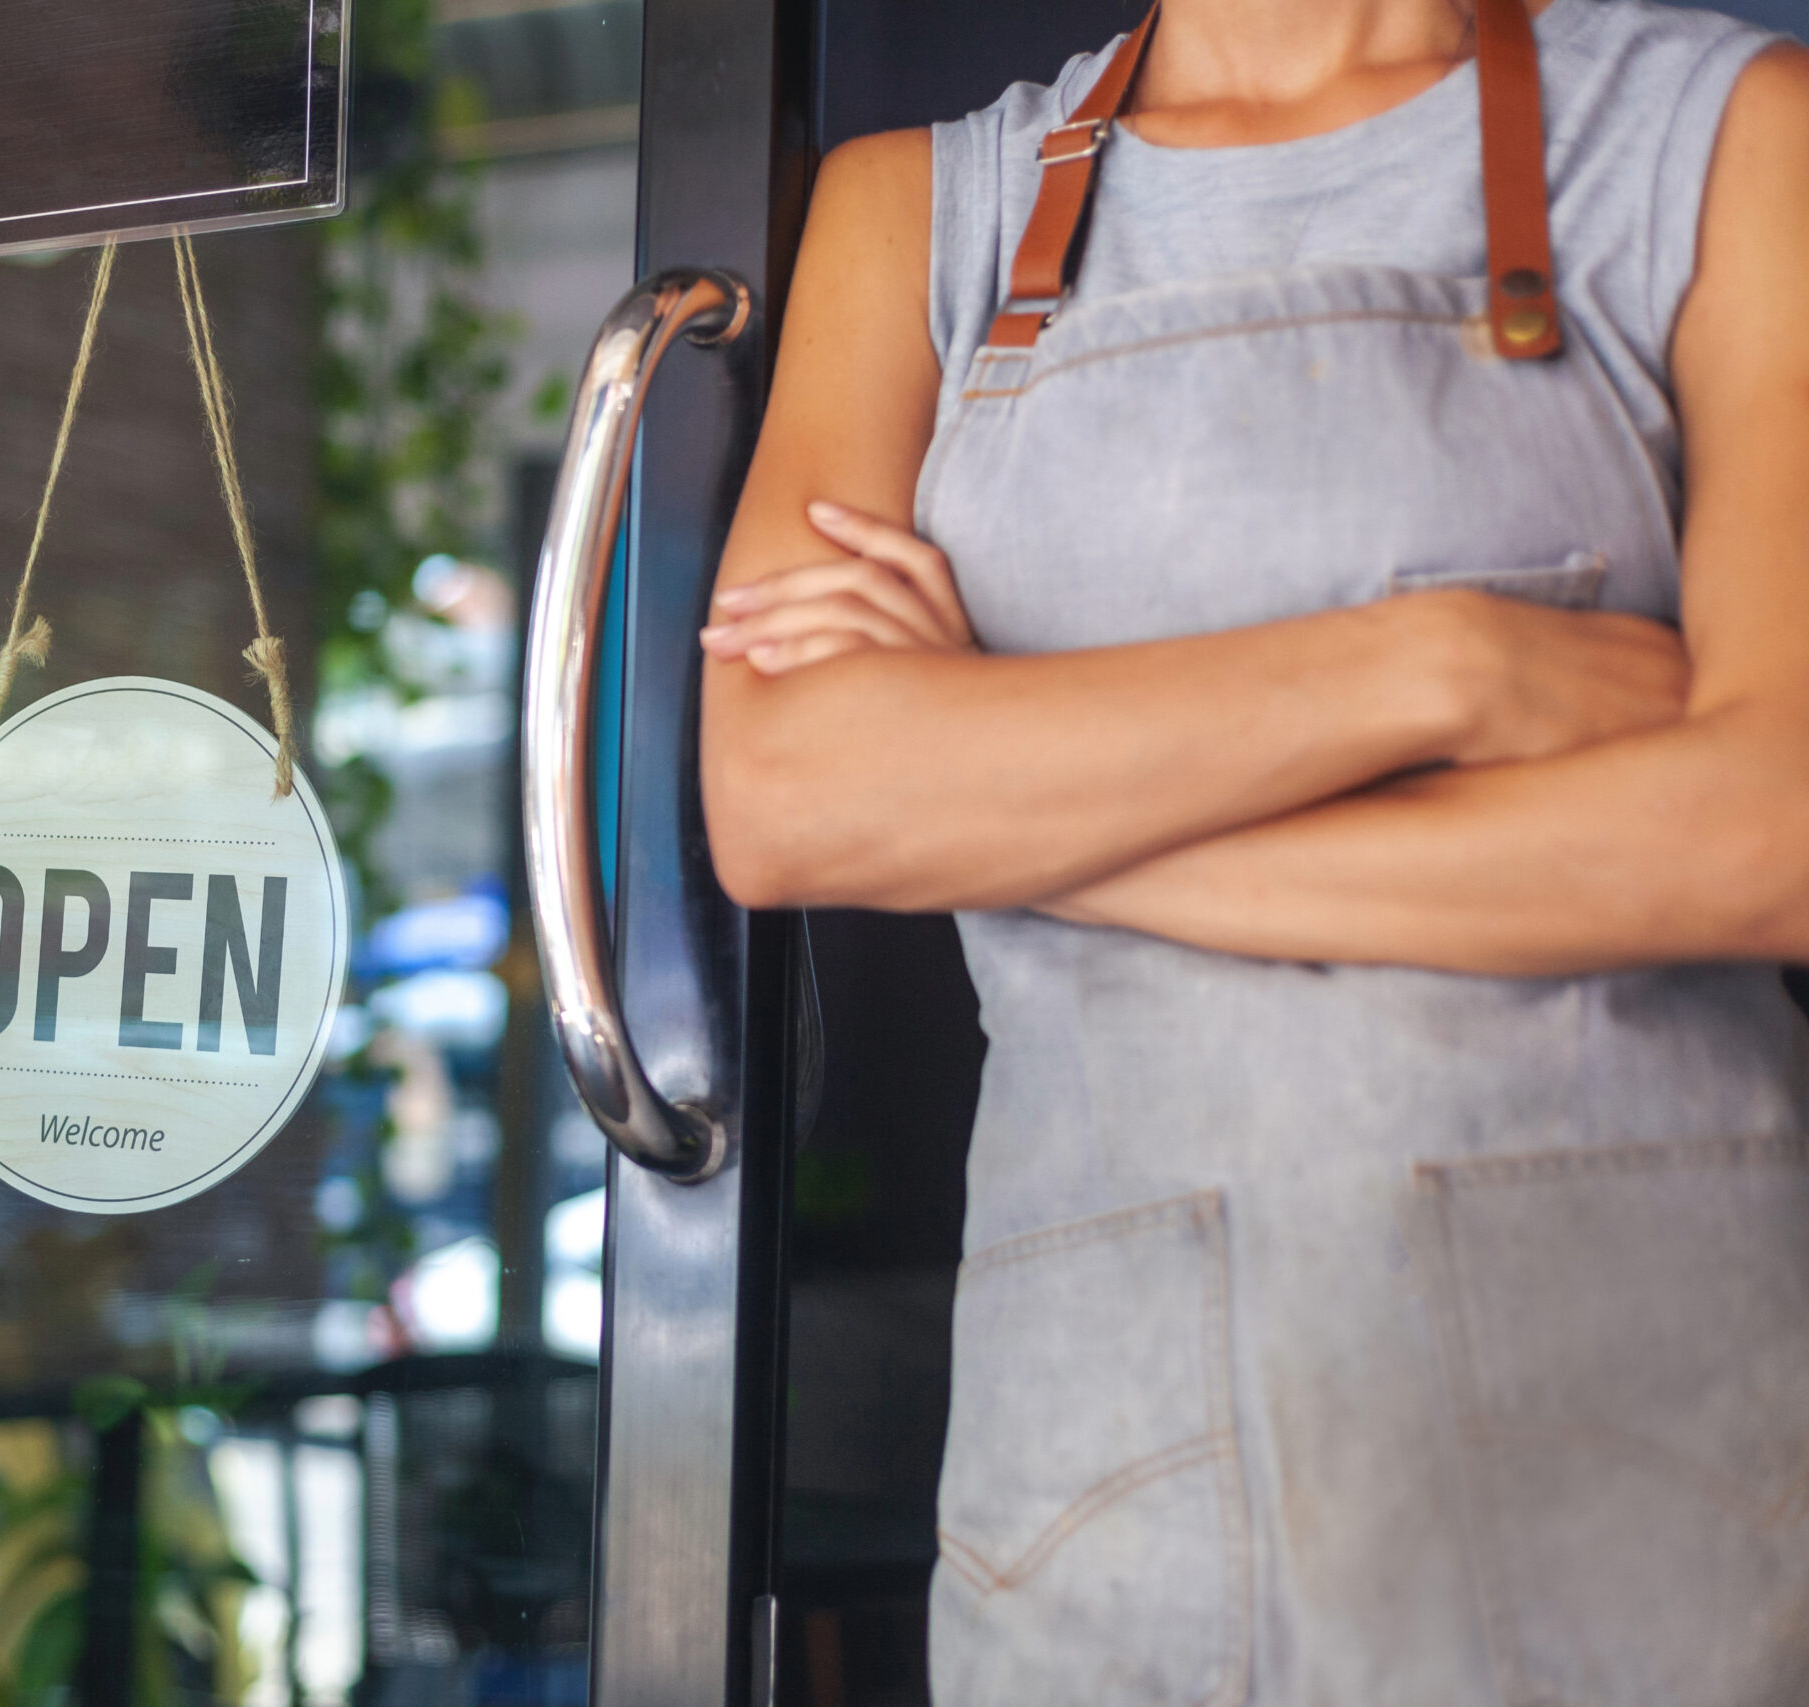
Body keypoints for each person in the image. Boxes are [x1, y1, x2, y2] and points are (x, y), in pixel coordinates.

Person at [696, 0, 1809, 1698]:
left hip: (1646, 1449)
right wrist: (1438, 665)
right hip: (1102, 1489)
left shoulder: (1731, 134)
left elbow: (1764, 832)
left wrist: (1003, 812)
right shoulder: (916, 213)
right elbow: (782, 797)